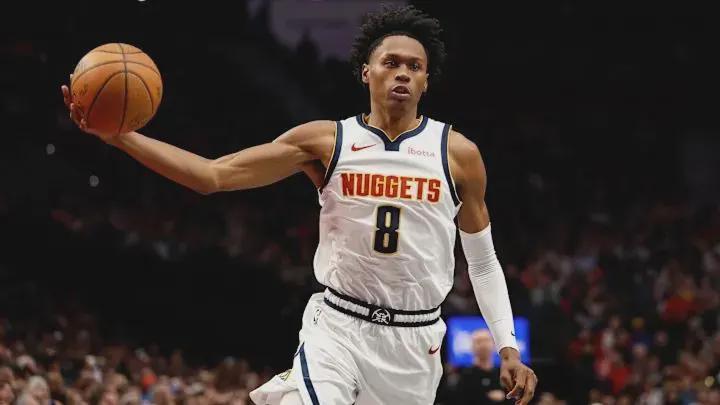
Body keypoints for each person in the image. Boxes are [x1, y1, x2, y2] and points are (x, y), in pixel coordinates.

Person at [61, 4, 537, 405]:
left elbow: (482, 262)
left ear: (426, 81)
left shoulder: (458, 155)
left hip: (416, 343)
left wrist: (508, 348)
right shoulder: (326, 141)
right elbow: (213, 175)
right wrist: (121, 138)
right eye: (391, 62)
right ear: (366, 72)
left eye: (414, 67)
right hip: (338, 327)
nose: (402, 73)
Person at [453, 330, 508, 404]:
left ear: (494, 345)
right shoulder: (463, 375)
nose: (483, 345)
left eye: (486, 341)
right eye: (479, 341)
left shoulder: (504, 374)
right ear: (472, 347)